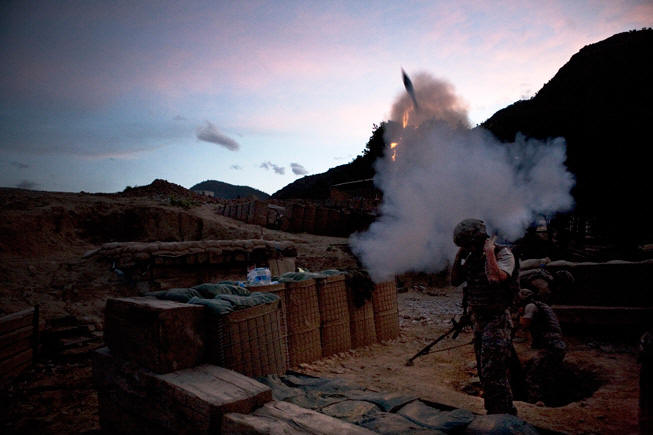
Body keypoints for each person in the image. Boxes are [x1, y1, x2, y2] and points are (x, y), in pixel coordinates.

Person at [451, 218, 518, 415]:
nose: (468, 248)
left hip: (497, 320)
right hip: (479, 321)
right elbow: (455, 281)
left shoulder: (502, 254)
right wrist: (458, 257)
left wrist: (489, 252)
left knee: (493, 370)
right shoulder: (472, 258)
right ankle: (493, 411)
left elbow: (495, 278)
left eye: (469, 244)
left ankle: (504, 413)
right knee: (483, 369)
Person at [517, 288, 567, 404]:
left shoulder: (530, 306)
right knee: (547, 374)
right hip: (556, 345)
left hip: (551, 346)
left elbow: (525, 323)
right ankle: (550, 400)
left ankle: (536, 402)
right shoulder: (541, 306)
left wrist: (520, 315)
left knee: (534, 374)